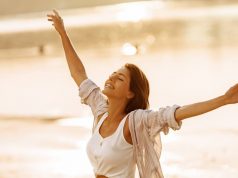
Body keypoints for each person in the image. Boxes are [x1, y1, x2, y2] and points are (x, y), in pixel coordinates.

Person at [47, 10, 238, 178]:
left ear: (131, 93)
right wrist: (63, 33)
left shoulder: (134, 121)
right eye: (113, 74)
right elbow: (78, 74)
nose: (111, 78)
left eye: (120, 79)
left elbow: (176, 113)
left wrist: (224, 99)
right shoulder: (100, 111)